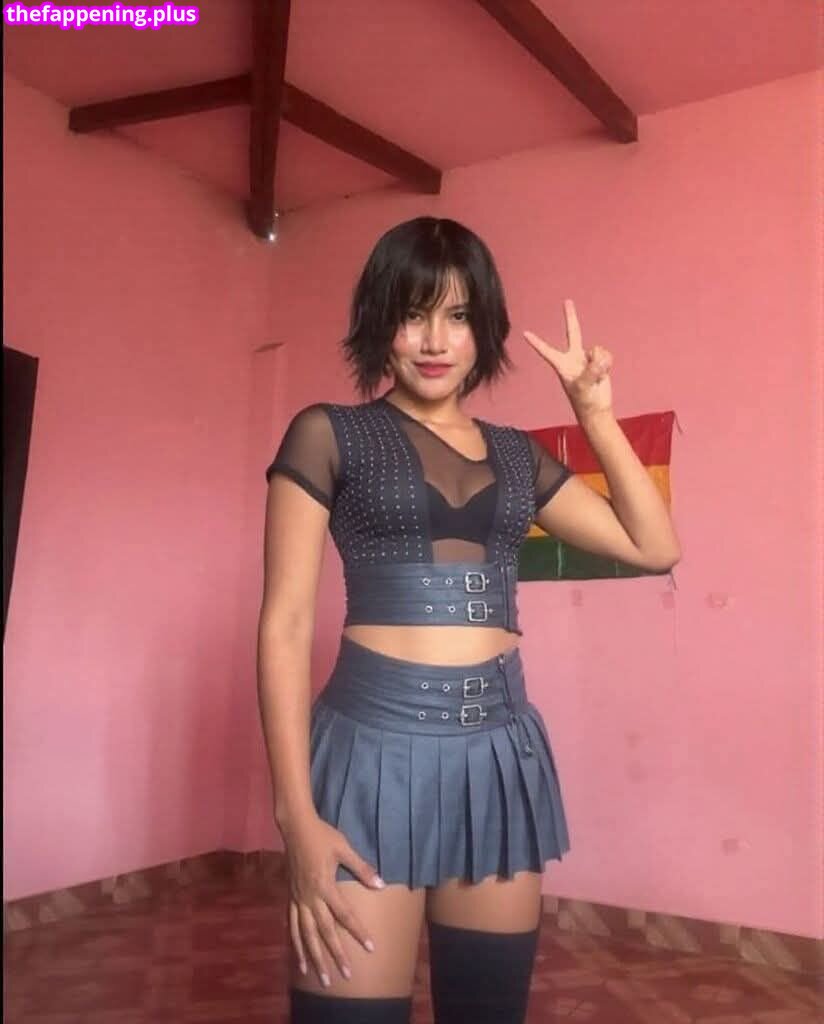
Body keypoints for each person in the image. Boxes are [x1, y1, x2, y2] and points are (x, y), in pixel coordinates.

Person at [257, 216, 681, 1023]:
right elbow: (284, 623)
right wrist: (295, 816)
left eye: (456, 315)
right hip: (370, 759)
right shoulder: (328, 433)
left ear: (483, 328)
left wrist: (594, 414)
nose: (434, 340)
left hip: (497, 759)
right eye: (413, 313)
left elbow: (654, 547)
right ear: (380, 321)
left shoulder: (518, 455)